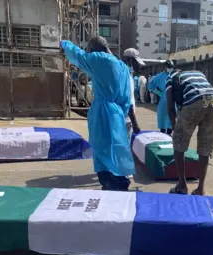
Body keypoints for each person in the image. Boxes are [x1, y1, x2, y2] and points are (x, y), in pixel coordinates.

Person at [61, 37, 136, 191]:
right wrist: (120, 113)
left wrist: (64, 43)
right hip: (117, 113)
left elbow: (78, 56)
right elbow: (126, 97)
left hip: (103, 111)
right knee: (116, 147)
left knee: (100, 147)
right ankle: (120, 182)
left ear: (94, 49)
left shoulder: (100, 59)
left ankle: (108, 183)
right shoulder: (122, 67)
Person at [166, 69, 213, 195]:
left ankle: (182, 185)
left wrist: (175, 128)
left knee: (179, 144)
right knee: (205, 147)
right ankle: (200, 188)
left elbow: (170, 107)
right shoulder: (198, 73)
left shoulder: (170, 78)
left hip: (193, 101)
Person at [148, 61, 175, 134]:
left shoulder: (174, 75)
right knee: (162, 121)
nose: (170, 69)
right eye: (169, 67)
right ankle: (162, 135)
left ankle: (169, 134)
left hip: (173, 101)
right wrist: (159, 93)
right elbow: (150, 85)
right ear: (165, 67)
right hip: (164, 100)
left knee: (171, 121)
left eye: (171, 67)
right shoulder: (159, 76)